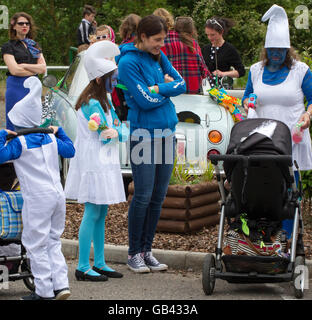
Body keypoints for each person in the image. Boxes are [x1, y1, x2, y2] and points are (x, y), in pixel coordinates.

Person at [241, 4, 312, 239]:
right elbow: (248, 96)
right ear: (266, 50)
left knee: (288, 186)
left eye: (281, 50)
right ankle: (264, 231)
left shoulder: (300, 70)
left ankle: (288, 234)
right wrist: (248, 102)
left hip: (291, 137)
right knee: (263, 184)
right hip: (263, 138)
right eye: (272, 49)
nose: (276, 54)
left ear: (288, 50)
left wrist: (308, 115)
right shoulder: (256, 70)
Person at [0, 76, 75, 300]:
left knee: (35, 244)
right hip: (58, 195)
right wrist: (60, 132)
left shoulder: (19, 143)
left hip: (38, 198)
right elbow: (70, 151)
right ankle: (61, 285)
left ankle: (44, 292)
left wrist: (2, 135)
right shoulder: (49, 138)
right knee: (53, 240)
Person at [117, 15, 186, 273]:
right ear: (142, 37)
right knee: (143, 196)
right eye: (157, 40)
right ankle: (134, 252)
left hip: (167, 134)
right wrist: (163, 91)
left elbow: (181, 84)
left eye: (164, 39)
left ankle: (147, 251)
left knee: (158, 197)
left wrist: (156, 88)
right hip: (143, 135)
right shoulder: (127, 62)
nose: (162, 44)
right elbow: (144, 102)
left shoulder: (159, 56)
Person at [64, 41, 127, 282]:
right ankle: (82, 266)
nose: (116, 81)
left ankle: (99, 262)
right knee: (92, 211)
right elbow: (106, 133)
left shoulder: (105, 100)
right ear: (100, 79)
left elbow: (117, 129)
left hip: (104, 160)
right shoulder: (92, 101)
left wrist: (117, 132)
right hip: (93, 162)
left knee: (102, 211)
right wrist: (118, 132)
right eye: (113, 77)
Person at [1, 12, 46, 131]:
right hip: (16, 87)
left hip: (33, 88)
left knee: (33, 123)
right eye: (21, 23)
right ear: (14, 26)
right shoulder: (8, 46)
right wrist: (34, 70)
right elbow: (14, 70)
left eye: (27, 24)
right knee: (14, 124)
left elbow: (43, 68)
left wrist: (25, 65)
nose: (24, 26)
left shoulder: (34, 45)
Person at [161, 16, 211, 94]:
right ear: (191, 30)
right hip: (192, 89)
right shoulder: (193, 43)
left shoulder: (163, 41)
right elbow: (203, 69)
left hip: (171, 87)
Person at [202, 16, 245, 89]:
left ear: (221, 32)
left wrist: (223, 74)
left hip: (223, 90)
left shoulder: (229, 49)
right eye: (207, 35)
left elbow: (241, 71)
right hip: (206, 88)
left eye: (212, 35)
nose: (209, 38)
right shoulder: (205, 49)